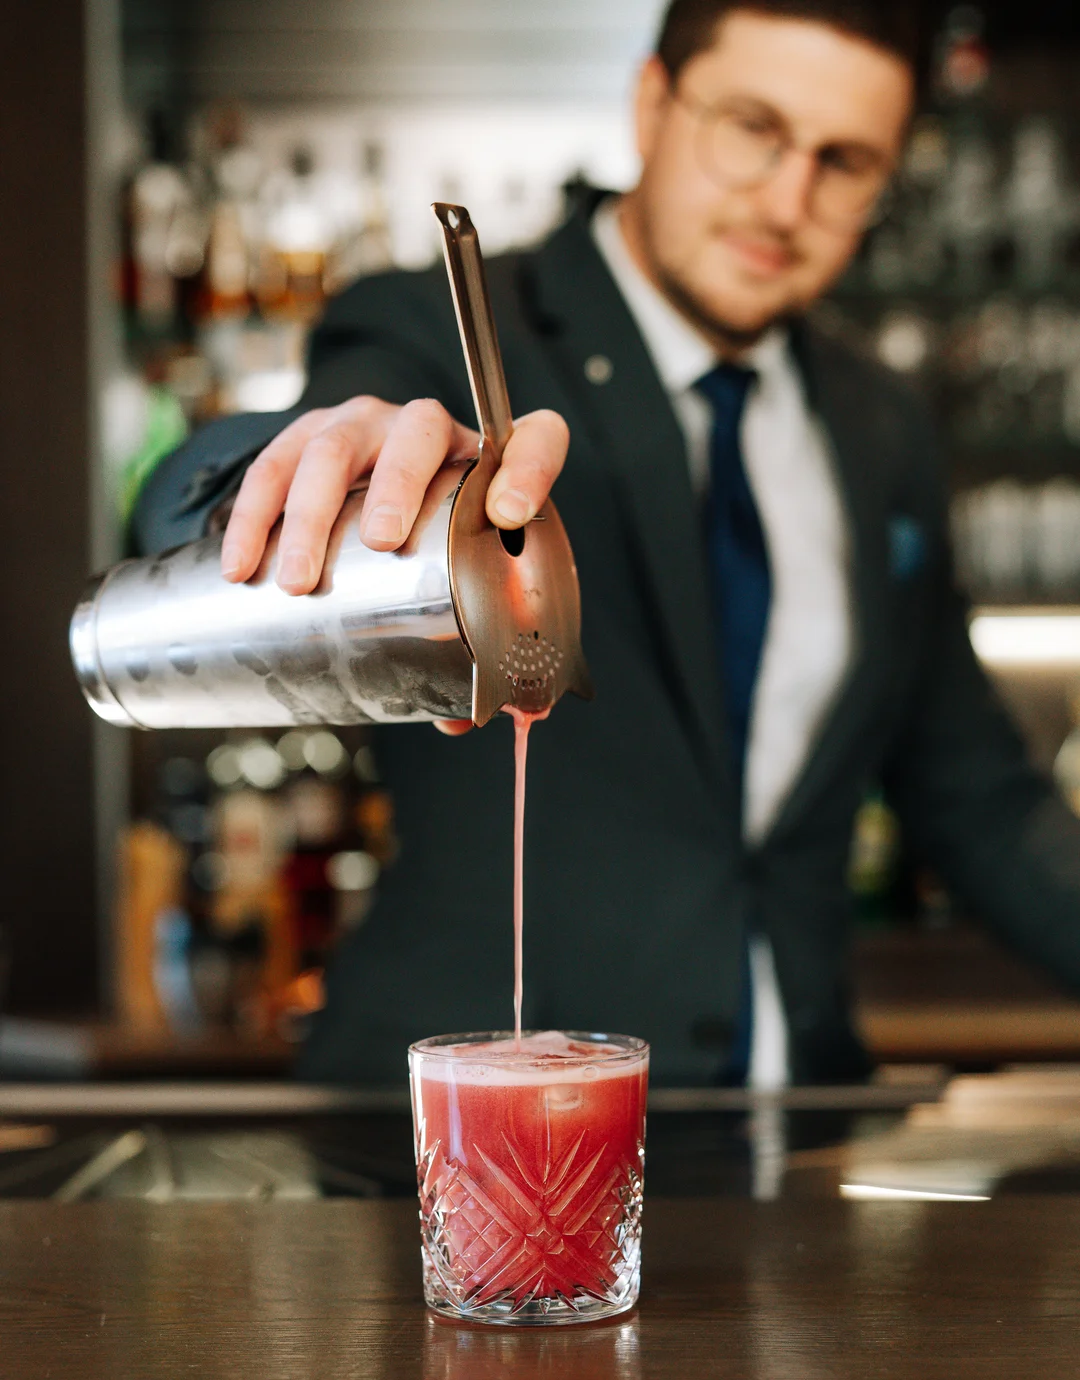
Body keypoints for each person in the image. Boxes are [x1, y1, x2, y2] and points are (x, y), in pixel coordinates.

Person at [138, 0, 1080, 1093]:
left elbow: (979, 799)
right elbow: (211, 492)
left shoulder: (882, 426)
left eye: (844, 161)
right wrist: (295, 475)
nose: (788, 201)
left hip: (792, 1124)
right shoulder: (440, 333)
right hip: (472, 1129)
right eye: (754, 128)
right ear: (652, 104)